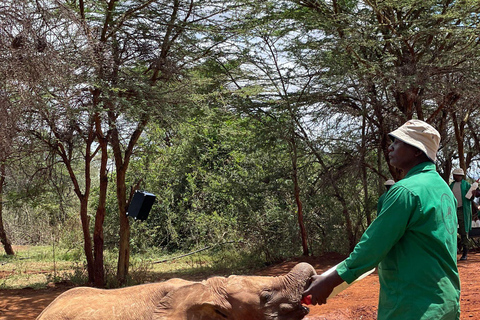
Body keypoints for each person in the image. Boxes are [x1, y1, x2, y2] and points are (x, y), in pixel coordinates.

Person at [303, 119, 460, 320]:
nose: (391, 146)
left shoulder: (406, 191)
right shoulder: (442, 189)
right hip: (445, 303)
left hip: (414, 307)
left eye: (399, 141)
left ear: (417, 151)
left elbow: (371, 249)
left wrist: (327, 282)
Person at [449, 168, 473, 261]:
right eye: (455, 175)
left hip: (463, 210)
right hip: (453, 210)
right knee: (452, 230)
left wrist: (474, 194)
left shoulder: (466, 185)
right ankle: (453, 251)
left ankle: (465, 253)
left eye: (458, 175)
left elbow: (471, 197)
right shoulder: (451, 186)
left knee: (464, 231)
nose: (456, 176)